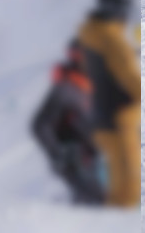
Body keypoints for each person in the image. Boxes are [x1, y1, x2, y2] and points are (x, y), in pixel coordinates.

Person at [76, 0, 141, 207]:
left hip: (99, 117)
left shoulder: (89, 34)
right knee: (128, 189)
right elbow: (130, 79)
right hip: (120, 120)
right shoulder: (111, 40)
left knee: (117, 185)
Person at [31, 40, 104, 205]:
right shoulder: (66, 88)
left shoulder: (88, 85)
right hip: (76, 160)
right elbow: (39, 125)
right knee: (94, 204)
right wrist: (58, 154)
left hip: (94, 158)